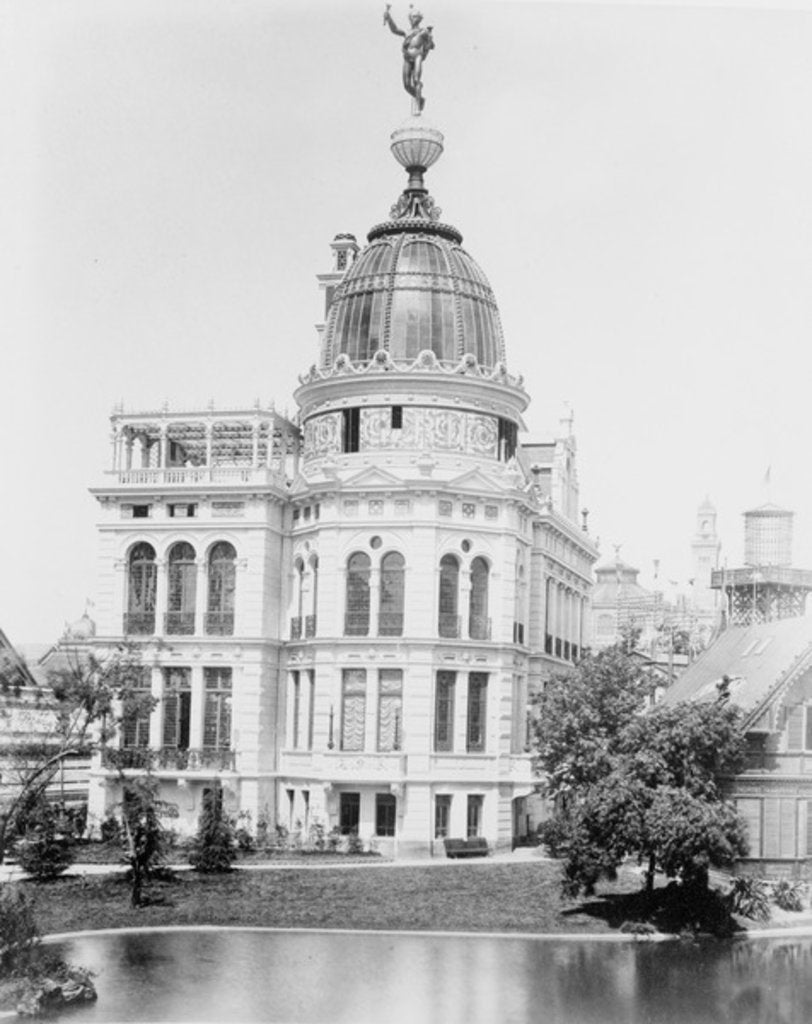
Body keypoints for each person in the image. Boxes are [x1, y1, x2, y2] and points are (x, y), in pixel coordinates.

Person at [383, 5, 435, 113]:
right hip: (407, 57)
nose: (412, 19)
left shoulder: (423, 31)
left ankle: (417, 108)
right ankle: (420, 99)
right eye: (411, 17)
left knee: (416, 80)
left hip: (418, 56)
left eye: (415, 17)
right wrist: (388, 18)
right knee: (406, 85)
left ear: (419, 19)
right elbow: (395, 30)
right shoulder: (407, 32)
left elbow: (432, 45)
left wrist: (429, 38)